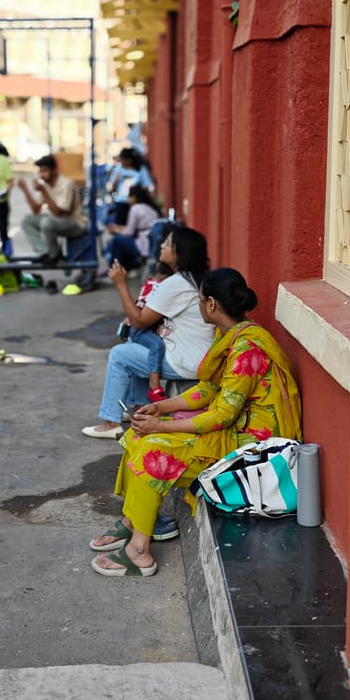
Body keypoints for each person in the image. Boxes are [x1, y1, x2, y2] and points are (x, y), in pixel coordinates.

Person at [89, 267, 303, 577]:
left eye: (200, 300)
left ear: (212, 304)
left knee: (153, 450)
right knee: (136, 436)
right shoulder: (230, 335)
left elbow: (222, 415)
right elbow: (208, 390)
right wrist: (159, 408)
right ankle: (134, 520)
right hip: (233, 430)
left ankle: (139, 552)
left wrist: (161, 427)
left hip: (250, 450)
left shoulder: (247, 349)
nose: (200, 305)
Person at [82, 226, 214, 439]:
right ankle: (141, 410)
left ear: (181, 252)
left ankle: (110, 423)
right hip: (197, 357)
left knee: (120, 354)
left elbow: (140, 321)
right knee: (134, 349)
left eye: (168, 244)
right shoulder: (193, 279)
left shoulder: (177, 283)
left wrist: (121, 285)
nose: (162, 246)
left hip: (187, 361)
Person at [118, 260, 173, 402]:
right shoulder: (161, 287)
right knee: (157, 345)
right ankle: (155, 386)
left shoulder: (149, 282)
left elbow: (138, 303)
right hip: (140, 329)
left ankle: (133, 402)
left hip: (137, 326)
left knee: (136, 367)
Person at [19, 154, 88, 265]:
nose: (42, 175)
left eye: (45, 171)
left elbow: (59, 212)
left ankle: (54, 254)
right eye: (40, 171)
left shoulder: (66, 184)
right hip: (58, 221)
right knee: (27, 221)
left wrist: (44, 192)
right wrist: (25, 190)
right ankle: (44, 252)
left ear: (54, 170)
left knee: (47, 223)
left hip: (75, 223)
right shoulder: (45, 185)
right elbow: (35, 210)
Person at [103, 184, 161, 272]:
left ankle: (115, 270)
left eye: (129, 196)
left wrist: (116, 230)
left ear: (134, 197)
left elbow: (129, 232)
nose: (127, 199)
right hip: (151, 241)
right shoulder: (149, 207)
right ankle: (128, 267)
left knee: (116, 240)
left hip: (144, 244)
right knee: (121, 241)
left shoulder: (135, 209)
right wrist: (118, 228)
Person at [105, 147, 154, 225]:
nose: (121, 162)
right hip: (121, 202)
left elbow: (146, 186)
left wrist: (149, 201)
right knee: (121, 223)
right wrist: (116, 181)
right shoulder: (118, 169)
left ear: (129, 160)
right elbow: (112, 188)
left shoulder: (140, 170)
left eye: (123, 159)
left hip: (135, 203)